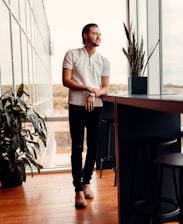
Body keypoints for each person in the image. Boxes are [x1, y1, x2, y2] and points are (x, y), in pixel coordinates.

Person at [62, 23, 110, 209]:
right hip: (76, 105)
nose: (98, 36)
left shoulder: (104, 60)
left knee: (94, 146)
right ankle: (77, 190)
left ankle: (87, 182)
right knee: (77, 146)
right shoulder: (72, 54)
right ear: (85, 35)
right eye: (95, 33)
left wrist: (94, 93)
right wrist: (88, 88)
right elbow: (66, 80)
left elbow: (105, 87)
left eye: (100, 33)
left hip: (96, 105)